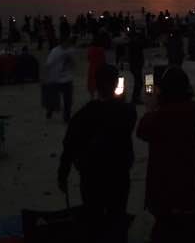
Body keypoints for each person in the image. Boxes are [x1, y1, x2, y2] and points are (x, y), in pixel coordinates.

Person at [58, 65, 137, 243]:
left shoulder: (83, 115)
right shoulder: (127, 112)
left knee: (94, 220)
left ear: (96, 85)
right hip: (118, 175)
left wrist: (63, 174)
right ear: (116, 83)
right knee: (117, 218)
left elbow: (69, 146)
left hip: (91, 177)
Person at [136, 67, 195, 242]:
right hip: (188, 177)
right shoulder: (192, 109)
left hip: (163, 181)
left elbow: (142, 131)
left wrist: (150, 108)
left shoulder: (160, 115)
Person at [43, 36, 76, 123]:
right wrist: (46, 77)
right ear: (61, 43)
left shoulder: (71, 50)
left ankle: (66, 118)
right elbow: (48, 64)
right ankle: (50, 110)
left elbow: (73, 65)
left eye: (69, 43)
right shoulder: (55, 51)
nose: (68, 44)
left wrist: (71, 61)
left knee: (68, 100)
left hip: (67, 79)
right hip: (56, 79)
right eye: (66, 42)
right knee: (53, 98)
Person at [128, 31, 147, 105]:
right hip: (136, 65)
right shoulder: (135, 44)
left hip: (135, 65)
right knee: (138, 82)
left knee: (138, 82)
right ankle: (135, 98)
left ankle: (136, 98)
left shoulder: (133, 43)